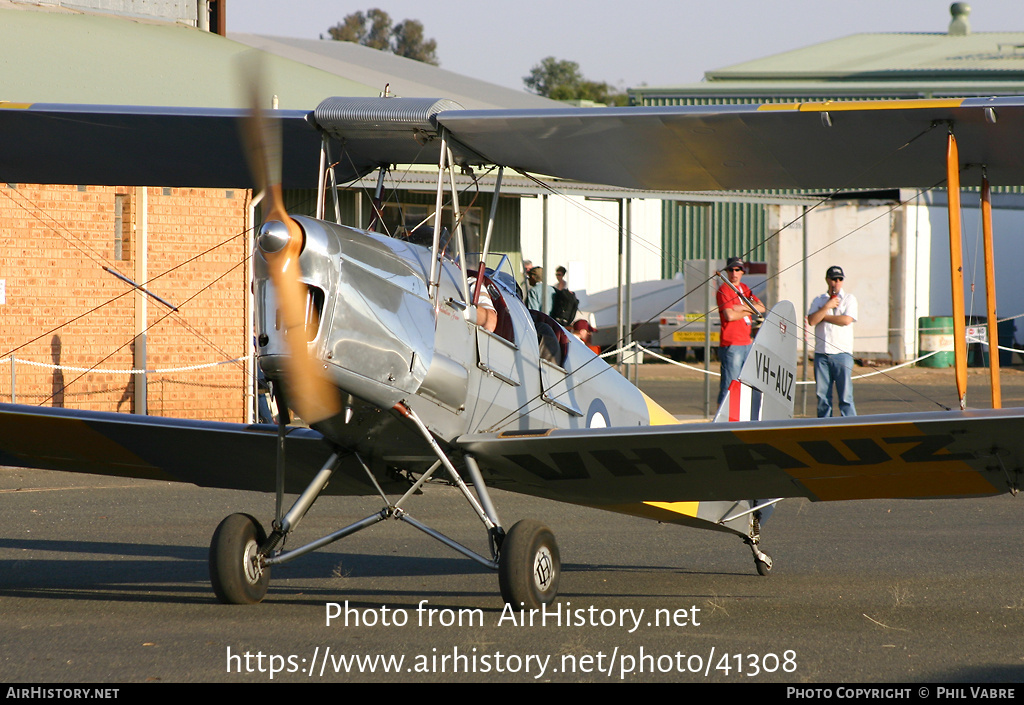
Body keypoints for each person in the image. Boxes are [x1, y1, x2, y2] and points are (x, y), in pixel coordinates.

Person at [807, 265, 858, 417]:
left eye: (839, 279)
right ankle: (824, 425)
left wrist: (824, 317)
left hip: (842, 353)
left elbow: (846, 320)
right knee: (823, 396)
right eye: (834, 279)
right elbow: (811, 320)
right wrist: (826, 307)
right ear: (827, 280)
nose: (836, 282)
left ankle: (850, 424)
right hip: (822, 354)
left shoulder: (849, 299)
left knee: (845, 395)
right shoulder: (819, 300)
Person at [717, 256, 765, 406]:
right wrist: (750, 309)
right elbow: (729, 315)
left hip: (747, 342)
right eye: (731, 270)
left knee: (747, 384)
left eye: (737, 269)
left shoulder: (744, 289)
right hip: (732, 344)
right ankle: (723, 418)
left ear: (742, 272)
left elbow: (761, 308)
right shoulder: (724, 290)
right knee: (730, 384)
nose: (734, 273)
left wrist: (743, 308)